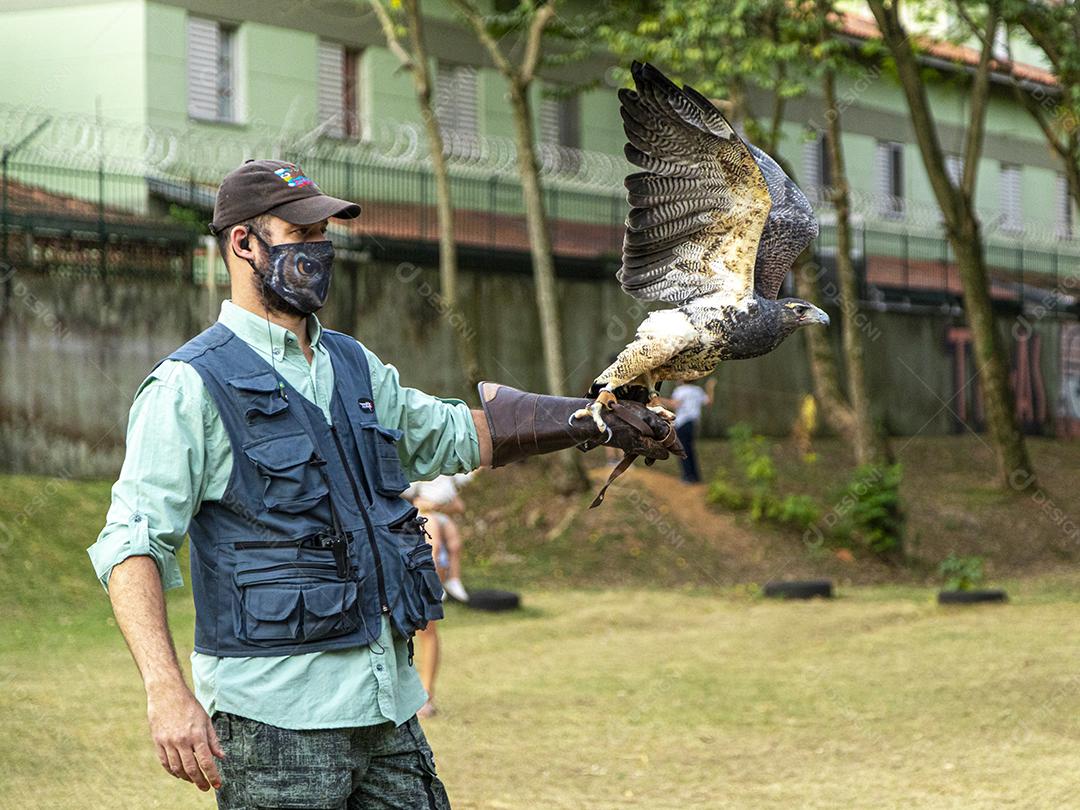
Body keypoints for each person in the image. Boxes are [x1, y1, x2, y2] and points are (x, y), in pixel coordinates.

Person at [87, 159, 681, 808]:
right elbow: (132, 543)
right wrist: (165, 690)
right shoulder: (189, 387)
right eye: (300, 233)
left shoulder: (352, 363)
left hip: (388, 711)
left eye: (325, 235)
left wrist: (592, 419)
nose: (319, 249)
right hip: (275, 725)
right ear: (243, 243)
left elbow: (453, 434)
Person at [402, 473, 473, 720]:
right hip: (396, 554)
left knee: (427, 628)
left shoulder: (437, 485)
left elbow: (458, 505)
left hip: (422, 561)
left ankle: (426, 695)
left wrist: (432, 506)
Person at [667, 377, 716, 483]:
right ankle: (695, 477)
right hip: (693, 424)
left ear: (682, 379)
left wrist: (658, 400)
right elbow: (709, 402)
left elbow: (675, 404)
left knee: (682, 451)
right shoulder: (698, 390)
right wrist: (710, 387)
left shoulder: (679, 390)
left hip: (682, 423)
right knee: (690, 450)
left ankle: (688, 477)